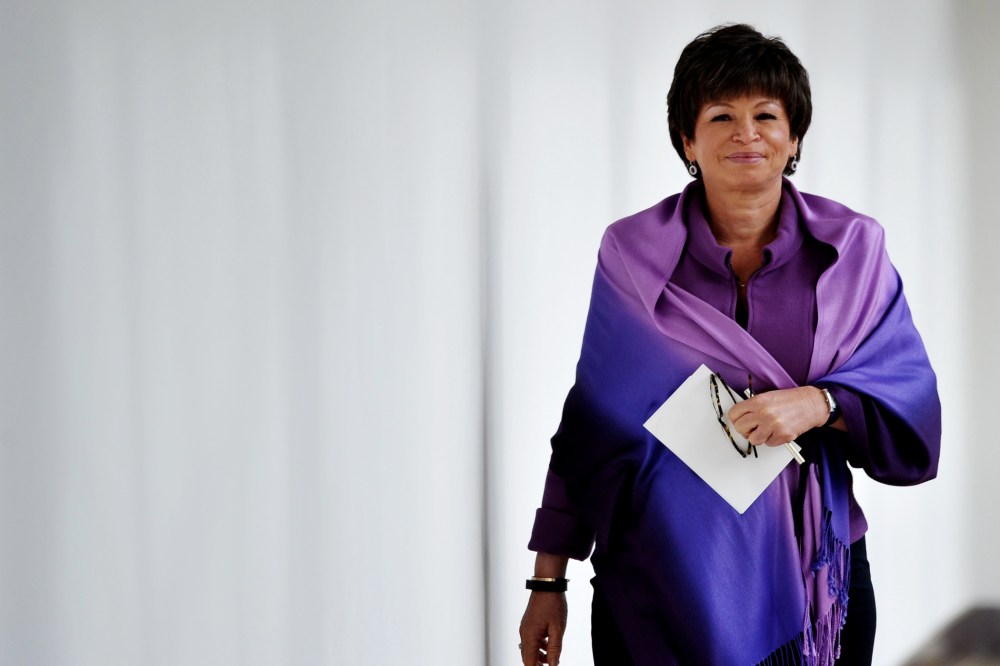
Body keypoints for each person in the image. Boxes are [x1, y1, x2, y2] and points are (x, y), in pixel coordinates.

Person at [518, 23, 941, 666]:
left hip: (813, 585)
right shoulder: (632, 255)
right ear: (688, 140)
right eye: (721, 115)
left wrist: (820, 404)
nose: (746, 133)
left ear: (793, 136)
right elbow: (593, 426)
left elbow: (909, 399)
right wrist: (549, 580)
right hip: (655, 579)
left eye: (765, 114)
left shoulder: (854, 249)